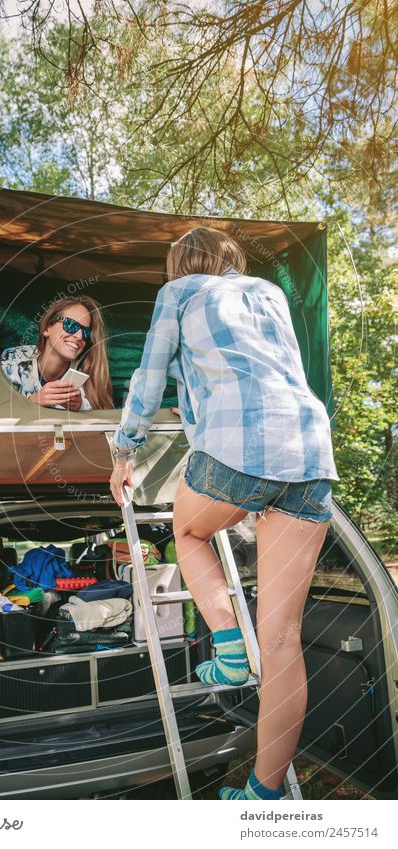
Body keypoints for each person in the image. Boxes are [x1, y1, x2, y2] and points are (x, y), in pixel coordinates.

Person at [109, 226, 339, 801]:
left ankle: (230, 653)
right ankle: (265, 797)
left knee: (186, 531)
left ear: (181, 263)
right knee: (283, 637)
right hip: (310, 450)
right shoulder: (269, 292)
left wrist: (124, 450)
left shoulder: (180, 291)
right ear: (230, 259)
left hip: (238, 450)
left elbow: (150, 375)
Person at [0, 295, 114, 410]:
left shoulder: (87, 371)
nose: (79, 336)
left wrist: (80, 406)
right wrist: (33, 401)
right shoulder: (14, 359)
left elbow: (105, 417)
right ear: (46, 328)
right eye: (70, 325)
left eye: (85, 332)